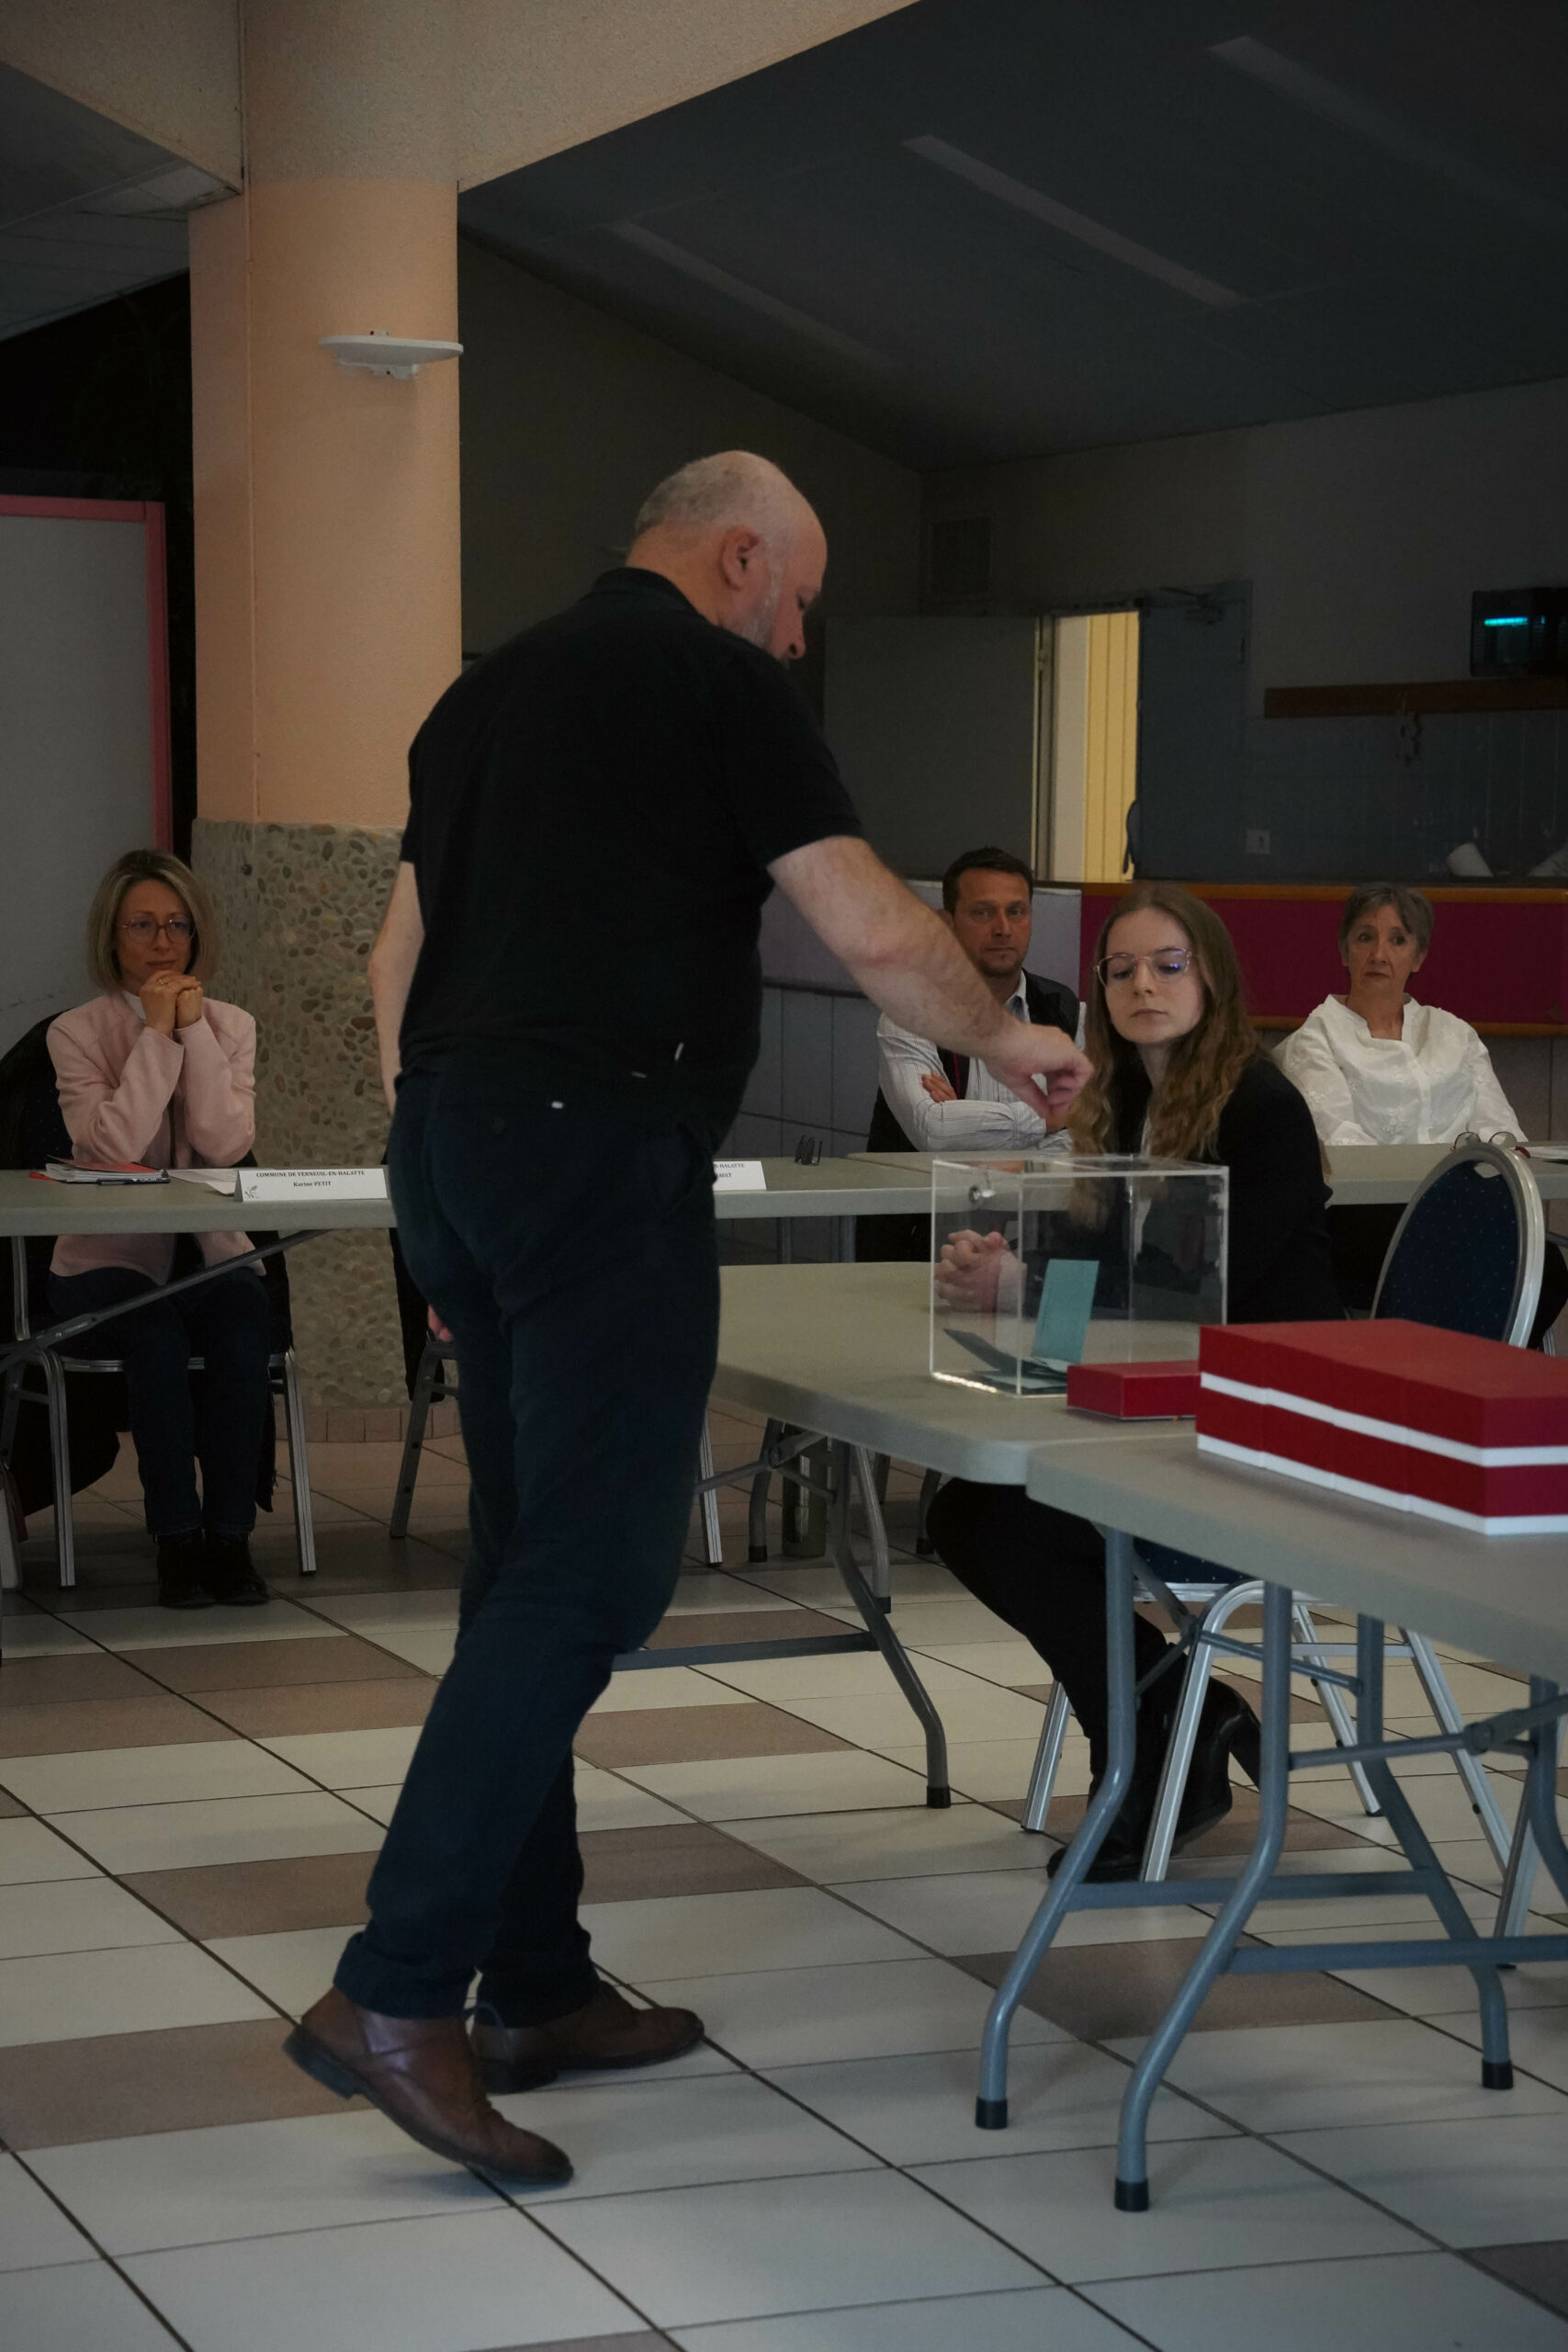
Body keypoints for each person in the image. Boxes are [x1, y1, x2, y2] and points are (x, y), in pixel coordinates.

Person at [287, 451, 1092, 2185]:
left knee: (525, 1568)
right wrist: (1006, 1037)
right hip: (595, 1148)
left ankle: (535, 1984)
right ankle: (397, 1994)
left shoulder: (478, 694)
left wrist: (447, 1149)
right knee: (593, 1577)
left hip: (453, 1145)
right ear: (740, 559)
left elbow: (388, 963)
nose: (797, 639)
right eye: (798, 602)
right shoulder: (712, 680)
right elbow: (864, 922)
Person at [928, 882, 1343, 1882]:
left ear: (1212, 979)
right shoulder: (1127, 1104)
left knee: (1019, 1528)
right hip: (1168, 1414)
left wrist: (1031, 1287)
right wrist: (1009, 1278)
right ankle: (1173, 1716)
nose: (1142, 986)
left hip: (1268, 1430)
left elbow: (1205, 1290)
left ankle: (1146, 1750)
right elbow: (1097, 1276)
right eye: (1120, 970)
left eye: (1168, 965)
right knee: (965, 1516)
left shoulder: (1263, 1109)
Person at [46, 851, 271, 1611]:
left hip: (209, 1256)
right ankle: (177, 1540)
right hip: (104, 1261)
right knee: (156, 1338)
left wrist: (195, 1030)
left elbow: (224, 1143)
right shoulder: (77, 1032)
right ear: (111, 936)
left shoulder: (233, 1026)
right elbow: (113, 1147)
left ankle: (230, 1540)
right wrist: (156, 1036)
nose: (163, 942)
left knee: (241, 1331)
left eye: (177, 925)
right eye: (142, 926)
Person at [1277, 884, 1566, 1331]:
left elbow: (1503, 1138)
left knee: (1546, 1268)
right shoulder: (1316, 1040)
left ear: (1419, 957)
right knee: (1472, 1266)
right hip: (1364, 1220)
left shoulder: (1454, 1033)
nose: (1379, 954)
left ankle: (1472, 1366)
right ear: (1344, 950)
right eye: (1365, 937)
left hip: (1463, 1211)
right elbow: (1343, 1150)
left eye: (1398, 940)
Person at [859, 846, 1079, 1260]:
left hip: (1032, 1245)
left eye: (1016, 912)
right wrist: (1047, 1119)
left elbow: (1086, 1138)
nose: (1003, 928)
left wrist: (968, 1122)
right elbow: (934, 1129)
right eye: (983, 913)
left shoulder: (1062, 1009)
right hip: (919, 1247)